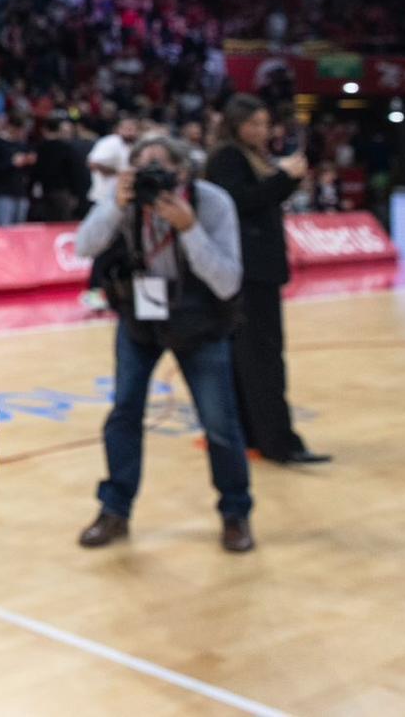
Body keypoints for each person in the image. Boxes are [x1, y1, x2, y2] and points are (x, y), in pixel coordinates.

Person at [76, 135, 253, 553]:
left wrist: (190, 229)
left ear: (183, 171)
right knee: (124, 414)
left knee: (219, 424)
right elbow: (84, 246)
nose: (151, 176)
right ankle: (115, 509)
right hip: (141, 320)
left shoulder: (212, 203)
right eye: (141, 167)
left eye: (160, 166)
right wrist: (115, 205)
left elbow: (228, 282)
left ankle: (235, 513)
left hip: (200, 323)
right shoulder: (125, 199)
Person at [207, 94, 327, 467]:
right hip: (250, 271)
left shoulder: (248, 156)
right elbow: (240, 203)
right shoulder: (228, 157)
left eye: (264, 123)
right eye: (253, 124)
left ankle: (255, 434)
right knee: (263, 357)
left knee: (250, 357)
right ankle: (279, 441)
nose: (262, 130)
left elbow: (262, 200)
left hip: (255, 269)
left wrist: (288, 181)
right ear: (235, 124)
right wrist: (283, 178)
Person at [0, 114, 37, 226]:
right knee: (4, 227)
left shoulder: (22, 145)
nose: (21, 134)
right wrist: (11, 163)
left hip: (20, 192)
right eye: (19, 130)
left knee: (20, 228)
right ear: (11, 127)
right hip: (2, 193)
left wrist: (29, 162)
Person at [87, 115, 140, 206]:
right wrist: (117, 172)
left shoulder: (132, 145)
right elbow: (93, 164)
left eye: (133, 129)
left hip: (122, 195)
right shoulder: (110, 142)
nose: (131, 132)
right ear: (119, 129)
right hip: (105, 194)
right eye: (127, 129)